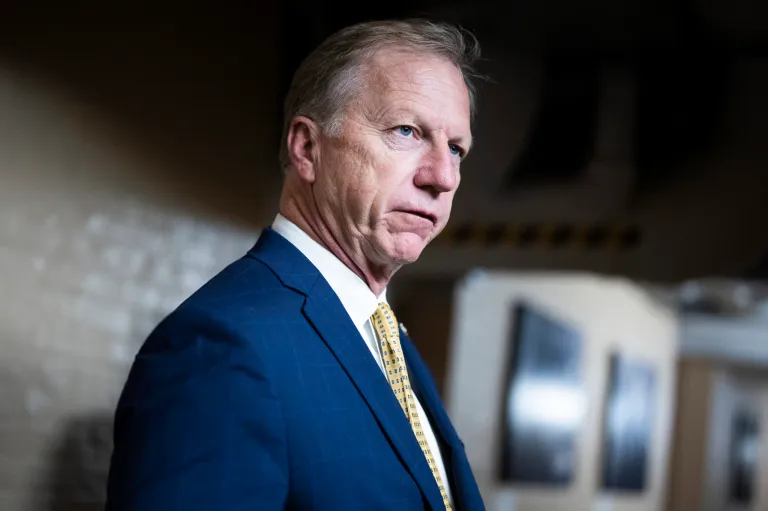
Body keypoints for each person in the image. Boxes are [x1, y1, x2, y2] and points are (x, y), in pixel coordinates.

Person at [106, 18, 485, 511]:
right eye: (407, 131)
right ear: (307, 148)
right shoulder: (221, 347)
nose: (443, 177)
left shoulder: (386, 338)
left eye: (456, 148)